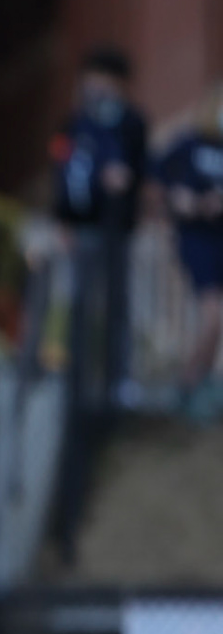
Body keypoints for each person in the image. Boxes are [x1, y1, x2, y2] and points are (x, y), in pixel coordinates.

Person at [52, 47, 150, 409]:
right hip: (83, 226)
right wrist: (62, 219)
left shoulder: (132, 123)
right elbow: (62, 172)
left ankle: (117, 378)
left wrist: (126, 181)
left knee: (116, 304)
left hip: (117, 229)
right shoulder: (75, 123)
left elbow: (141, 169)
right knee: (80, 303)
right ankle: (75, 377)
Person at [153, 83, 223, 418]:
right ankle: (187, 384)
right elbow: (157, 179)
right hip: (197, 239)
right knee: (214, 315)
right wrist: (185, 202)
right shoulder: (189, 143)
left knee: (217, 320)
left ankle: (202, 387)